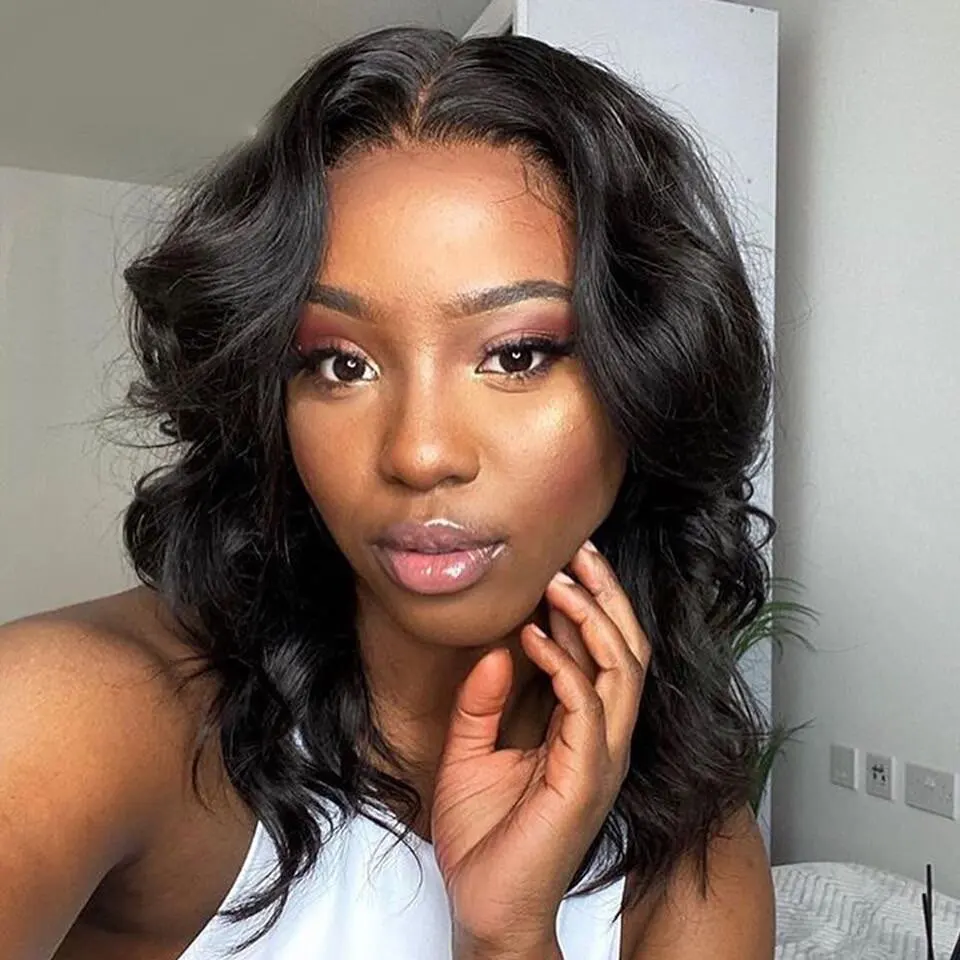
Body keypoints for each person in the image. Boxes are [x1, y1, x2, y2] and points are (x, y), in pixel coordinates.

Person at [0, 24, 776, 960]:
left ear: (650, 380)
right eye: (340, 363)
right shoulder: (67, 714)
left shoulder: (695, 846)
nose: (419, 453)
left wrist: (507, 938)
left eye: (517, 355)